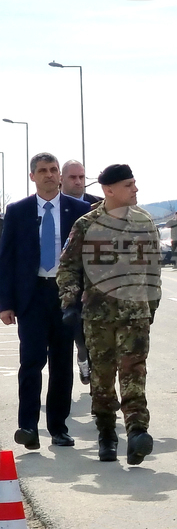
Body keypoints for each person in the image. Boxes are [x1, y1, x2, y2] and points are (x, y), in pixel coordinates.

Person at [57, 164, 161, 464]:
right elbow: (68, 267)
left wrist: (152, 306)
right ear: (109, 190)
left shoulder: (145, 222)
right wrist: (69, 300)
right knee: (102, 378)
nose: (135, 189)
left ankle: (138, 431)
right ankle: (106, 433)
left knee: (134, 372)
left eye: (134, 183)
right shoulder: (86, 225)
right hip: (98, 316)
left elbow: (154, 268)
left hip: (136, 314)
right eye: (128, 185)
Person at [0, 153, 91, 450]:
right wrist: (5, 302)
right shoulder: (18, 211)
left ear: (60, 176)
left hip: (66, 296)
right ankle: (27, 426)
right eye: (43, 171)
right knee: (32, 361)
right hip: (32, 296)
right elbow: (7, 259)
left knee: (62, 363)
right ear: (32, 177)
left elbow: (88, 259)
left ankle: (58, 427)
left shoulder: (79, 210)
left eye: (53, 170)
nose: (49, 175)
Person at [59, 159, 100, 386]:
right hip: (66, 279)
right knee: (77, 333)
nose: (78, 182)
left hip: (94, 280)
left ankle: (99, 394)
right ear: (61, 180)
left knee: (95, 337)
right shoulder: (55, 206)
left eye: (82, 177)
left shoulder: (99, 205)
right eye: (73, 177)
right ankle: (82, 356)